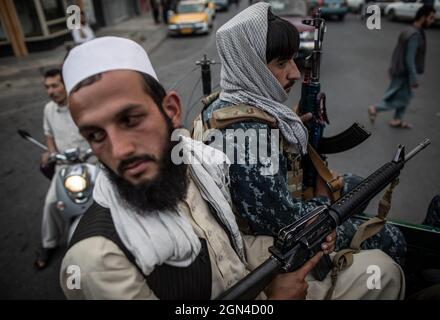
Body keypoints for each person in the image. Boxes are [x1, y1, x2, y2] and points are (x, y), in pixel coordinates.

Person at [59, 36, 404, 300]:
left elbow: (229, 248)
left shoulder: (194, 166)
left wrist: (305, 241)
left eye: (130, 119)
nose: (119, 150)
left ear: (171, 110)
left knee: (382, 271)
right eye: (95, 134)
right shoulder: (97, 258)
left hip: (257, 284)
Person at [199, 2, 407, 265]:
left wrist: (285, 126)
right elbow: (287, 223)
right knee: (393, 237)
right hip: (283, 244)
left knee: (356, 185)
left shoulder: (223, 102)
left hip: (280, 211)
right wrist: (323, 196)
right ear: (248, 65)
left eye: (294, 60)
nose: (295, 73)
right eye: (282, 63)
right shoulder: (251, 136)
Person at [35, 69, 91, 269]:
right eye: (47, 87)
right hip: (64, 166)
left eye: (55, 86)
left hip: (90, 163)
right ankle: (48, 244)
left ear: (66, 85)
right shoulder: (48, 109)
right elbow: (49, 136)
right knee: (51, 204)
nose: (50, 91)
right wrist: (51, 153)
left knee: (105, 199)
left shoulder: (82, 104)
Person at [368, 6, 435, 129]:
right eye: (431, 18)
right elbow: (409, 59)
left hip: (399, 69)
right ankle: (375, 108)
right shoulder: (415, 35)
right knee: (403, 98)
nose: (432, 21)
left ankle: (397, 120)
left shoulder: (408, 29)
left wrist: (392, 68)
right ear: (423, 17)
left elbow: (398, 51)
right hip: (405, 72)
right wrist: (414, 78)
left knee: (404, 96)